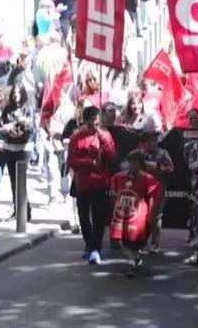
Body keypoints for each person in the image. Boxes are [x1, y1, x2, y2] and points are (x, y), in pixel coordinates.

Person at [68, 105, 116, 265]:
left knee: (98, 217)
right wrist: (89, 163)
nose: (95, 127)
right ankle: (89, 243)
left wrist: (105, 142)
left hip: (100, 183)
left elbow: (112, 156)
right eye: (91, 124)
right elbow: (72, 161)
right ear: (85, 122)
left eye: (97, 123)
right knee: (83, 216)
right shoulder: (76, 137)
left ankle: (96, 248)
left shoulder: (105, 135)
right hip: (82, 184)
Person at [110, 149, 163, 275]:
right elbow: (114, 194)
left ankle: (132, 261)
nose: (132, 165)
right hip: (124, 216)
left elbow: (155, 197)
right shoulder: (119, 177)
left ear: (140, 163)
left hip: (138, 217)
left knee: (136, 241)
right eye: (130, 162)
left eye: (135, 162)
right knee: (124, 241)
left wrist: (152, 215)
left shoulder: (148, 179)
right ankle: (133, 258)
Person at [0, 86, 34, 221]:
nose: (16, 95)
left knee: (21, 180)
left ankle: (25, 210)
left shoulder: (27, 108)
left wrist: (21, 127)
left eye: (18, 93)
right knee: (14, 181)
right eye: (14, 93)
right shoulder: (6, 109)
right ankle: (19, 210)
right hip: (9, 147)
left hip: (23, 148)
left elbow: (31, 128)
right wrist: (7, 130)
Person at [139, 130, 174, 253]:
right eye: (148, 141)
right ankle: (142, 243)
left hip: (158, 189)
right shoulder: (140, 154)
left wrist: (159, 167)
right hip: (143, 190)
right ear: (144, 143)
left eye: (154, 140)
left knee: (155, 217)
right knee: (142, 217)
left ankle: (155, 243)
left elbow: (171, 169)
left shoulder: (163, 153)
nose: (152, 143)